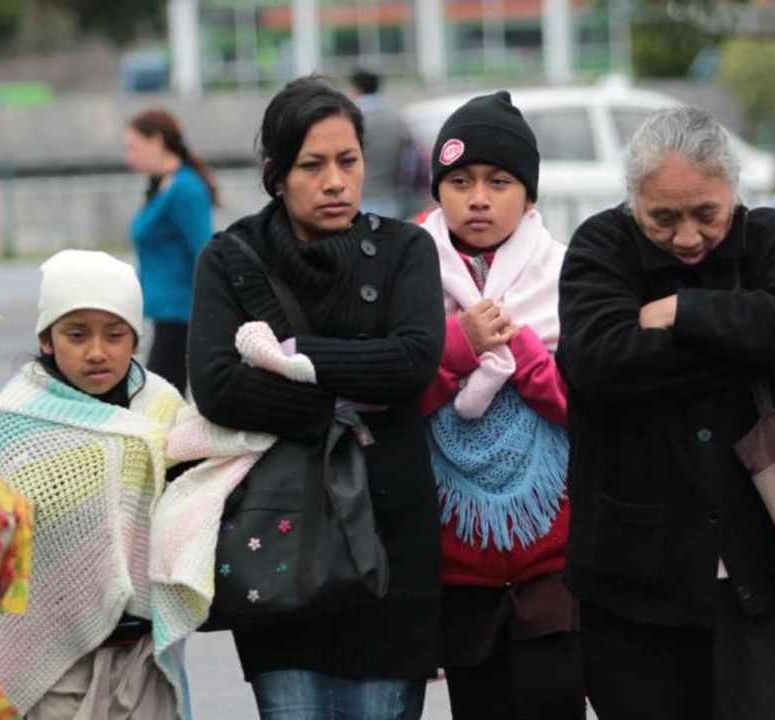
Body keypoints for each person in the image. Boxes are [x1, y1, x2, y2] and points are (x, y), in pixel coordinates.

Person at [555, 107, 775, 720]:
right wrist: (745, 340)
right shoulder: (601, 247)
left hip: (759, 570)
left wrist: (680, 313)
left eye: (706, 214)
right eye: (664, 218)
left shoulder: (771, 239)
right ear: (633, 201)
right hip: (633, 580)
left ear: (733, 190)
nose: (687, 237)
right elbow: (602, 360)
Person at [187, 76, 445, 720]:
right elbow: (218, 386)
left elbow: (413, 362)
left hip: (389, 545)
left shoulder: (404, 248)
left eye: (347, 161)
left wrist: (293, 354)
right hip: (279, 542)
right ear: (276, 173)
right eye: (312, 165)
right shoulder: (231, 258)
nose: (335, 181)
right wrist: (344, 406)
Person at [417, 91, 584, 720]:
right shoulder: (411, 276)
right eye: (459, 181)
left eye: (499, 180)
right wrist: (460, 346)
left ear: (530, 194)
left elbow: (588, 410)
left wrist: (525, 354)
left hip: (553, 559)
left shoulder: (565, 278)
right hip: (458, 563)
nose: (478, 197)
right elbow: (391, 404)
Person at [0, 250, 188, 719]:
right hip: (57, 661)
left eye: (115, 335)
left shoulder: (161, 405)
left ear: (135, 339)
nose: (97, 351)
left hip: (142, 651)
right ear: (47, 340)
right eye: (76, 335)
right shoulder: (19, 415)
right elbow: (8, 538)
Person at [125, 109, 218, 396]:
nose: (128, 157)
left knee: (159, 400)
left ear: (156, 141)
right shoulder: (162, 186)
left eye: (133, 147)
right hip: (162, 314)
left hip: (180, 314)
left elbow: (204, 251)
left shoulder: (185, 188)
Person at [349, 69, 422, 218]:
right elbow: (412, 155)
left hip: (357, 198)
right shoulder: (396, 117)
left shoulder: (349, 120)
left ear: (357, 89)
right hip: (392, 199)